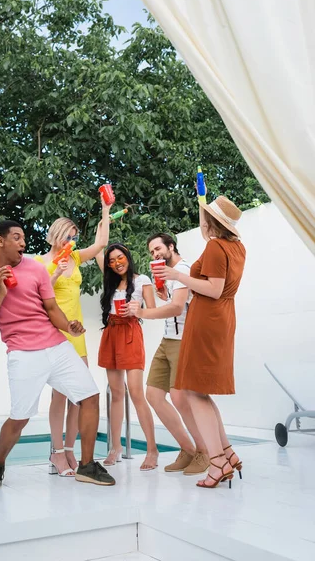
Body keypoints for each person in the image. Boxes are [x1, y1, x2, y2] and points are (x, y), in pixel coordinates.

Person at [0, 220, 115, 488]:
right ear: (0, 241)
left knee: (90, 397)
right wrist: (0, 294)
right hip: (23, 354)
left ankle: (86, 465)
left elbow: (51, 308)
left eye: (24, 237)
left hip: (56, 345)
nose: (23, 242)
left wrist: (68, 327)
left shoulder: (36, 269)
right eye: (16, 237)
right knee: (20, 417)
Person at [152, 196, 246, 489]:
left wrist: (176, 275)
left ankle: (217, 461)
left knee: (194, 392)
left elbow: (214, 289)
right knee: (202, 393)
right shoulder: (237, 246)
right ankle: (227, 453)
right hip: (220, 318)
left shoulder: (216, 246)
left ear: (211, 222)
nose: (200, 220)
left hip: (209, 318)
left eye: (204, 216)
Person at [34, 199, 111, 476]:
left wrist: (105, 209)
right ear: (57, 235)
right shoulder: (39, 263)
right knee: (59, 395)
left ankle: (70, 450)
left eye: (75, 237)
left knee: (81, 395)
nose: (73, 241)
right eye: (70, 236)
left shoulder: (76, 258)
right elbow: (39, 295)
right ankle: (55, 454)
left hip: (76, 333)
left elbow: (101, 243)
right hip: (54, 331)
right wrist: (55, 271)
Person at [128, 233, 209, 475]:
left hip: (184, 340)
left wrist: (142, 312)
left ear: (171, 246)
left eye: (158, 249)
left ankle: (204, 453)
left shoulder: (182, 269)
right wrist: (163, 293)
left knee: (179, 399)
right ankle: (188, 449)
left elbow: (176, 307)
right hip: (168, 339)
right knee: (153, 395)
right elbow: (174, 302)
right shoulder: (169, 273)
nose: (155, 254)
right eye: (152, 252)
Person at [96, 243, 159, 471]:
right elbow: (97, 247)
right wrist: (104, 213)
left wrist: (138, 309)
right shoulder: (110, 281)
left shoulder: (142, 280)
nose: (116, 263)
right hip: (112, 332)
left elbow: (153, 310)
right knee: (116, 394)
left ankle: (152, 450)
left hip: (131, 332)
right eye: (111, 261)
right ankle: (115, 448)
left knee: (136, 393)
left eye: (120, 257)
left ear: (128, 257)